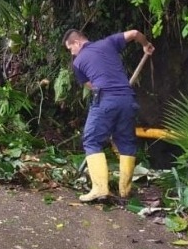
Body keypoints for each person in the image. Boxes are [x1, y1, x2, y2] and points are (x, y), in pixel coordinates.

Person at [62, 29, 155, 202]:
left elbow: (90, 86)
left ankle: (100, 189)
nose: (72, 53)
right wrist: (145, 45)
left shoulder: (79, 62)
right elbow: (134, 33)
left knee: (91, 140)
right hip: (127, 100)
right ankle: (125, 190)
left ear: (77, 43)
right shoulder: (108, 42)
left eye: (70, 48)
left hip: (106, 100)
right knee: (126, 141)